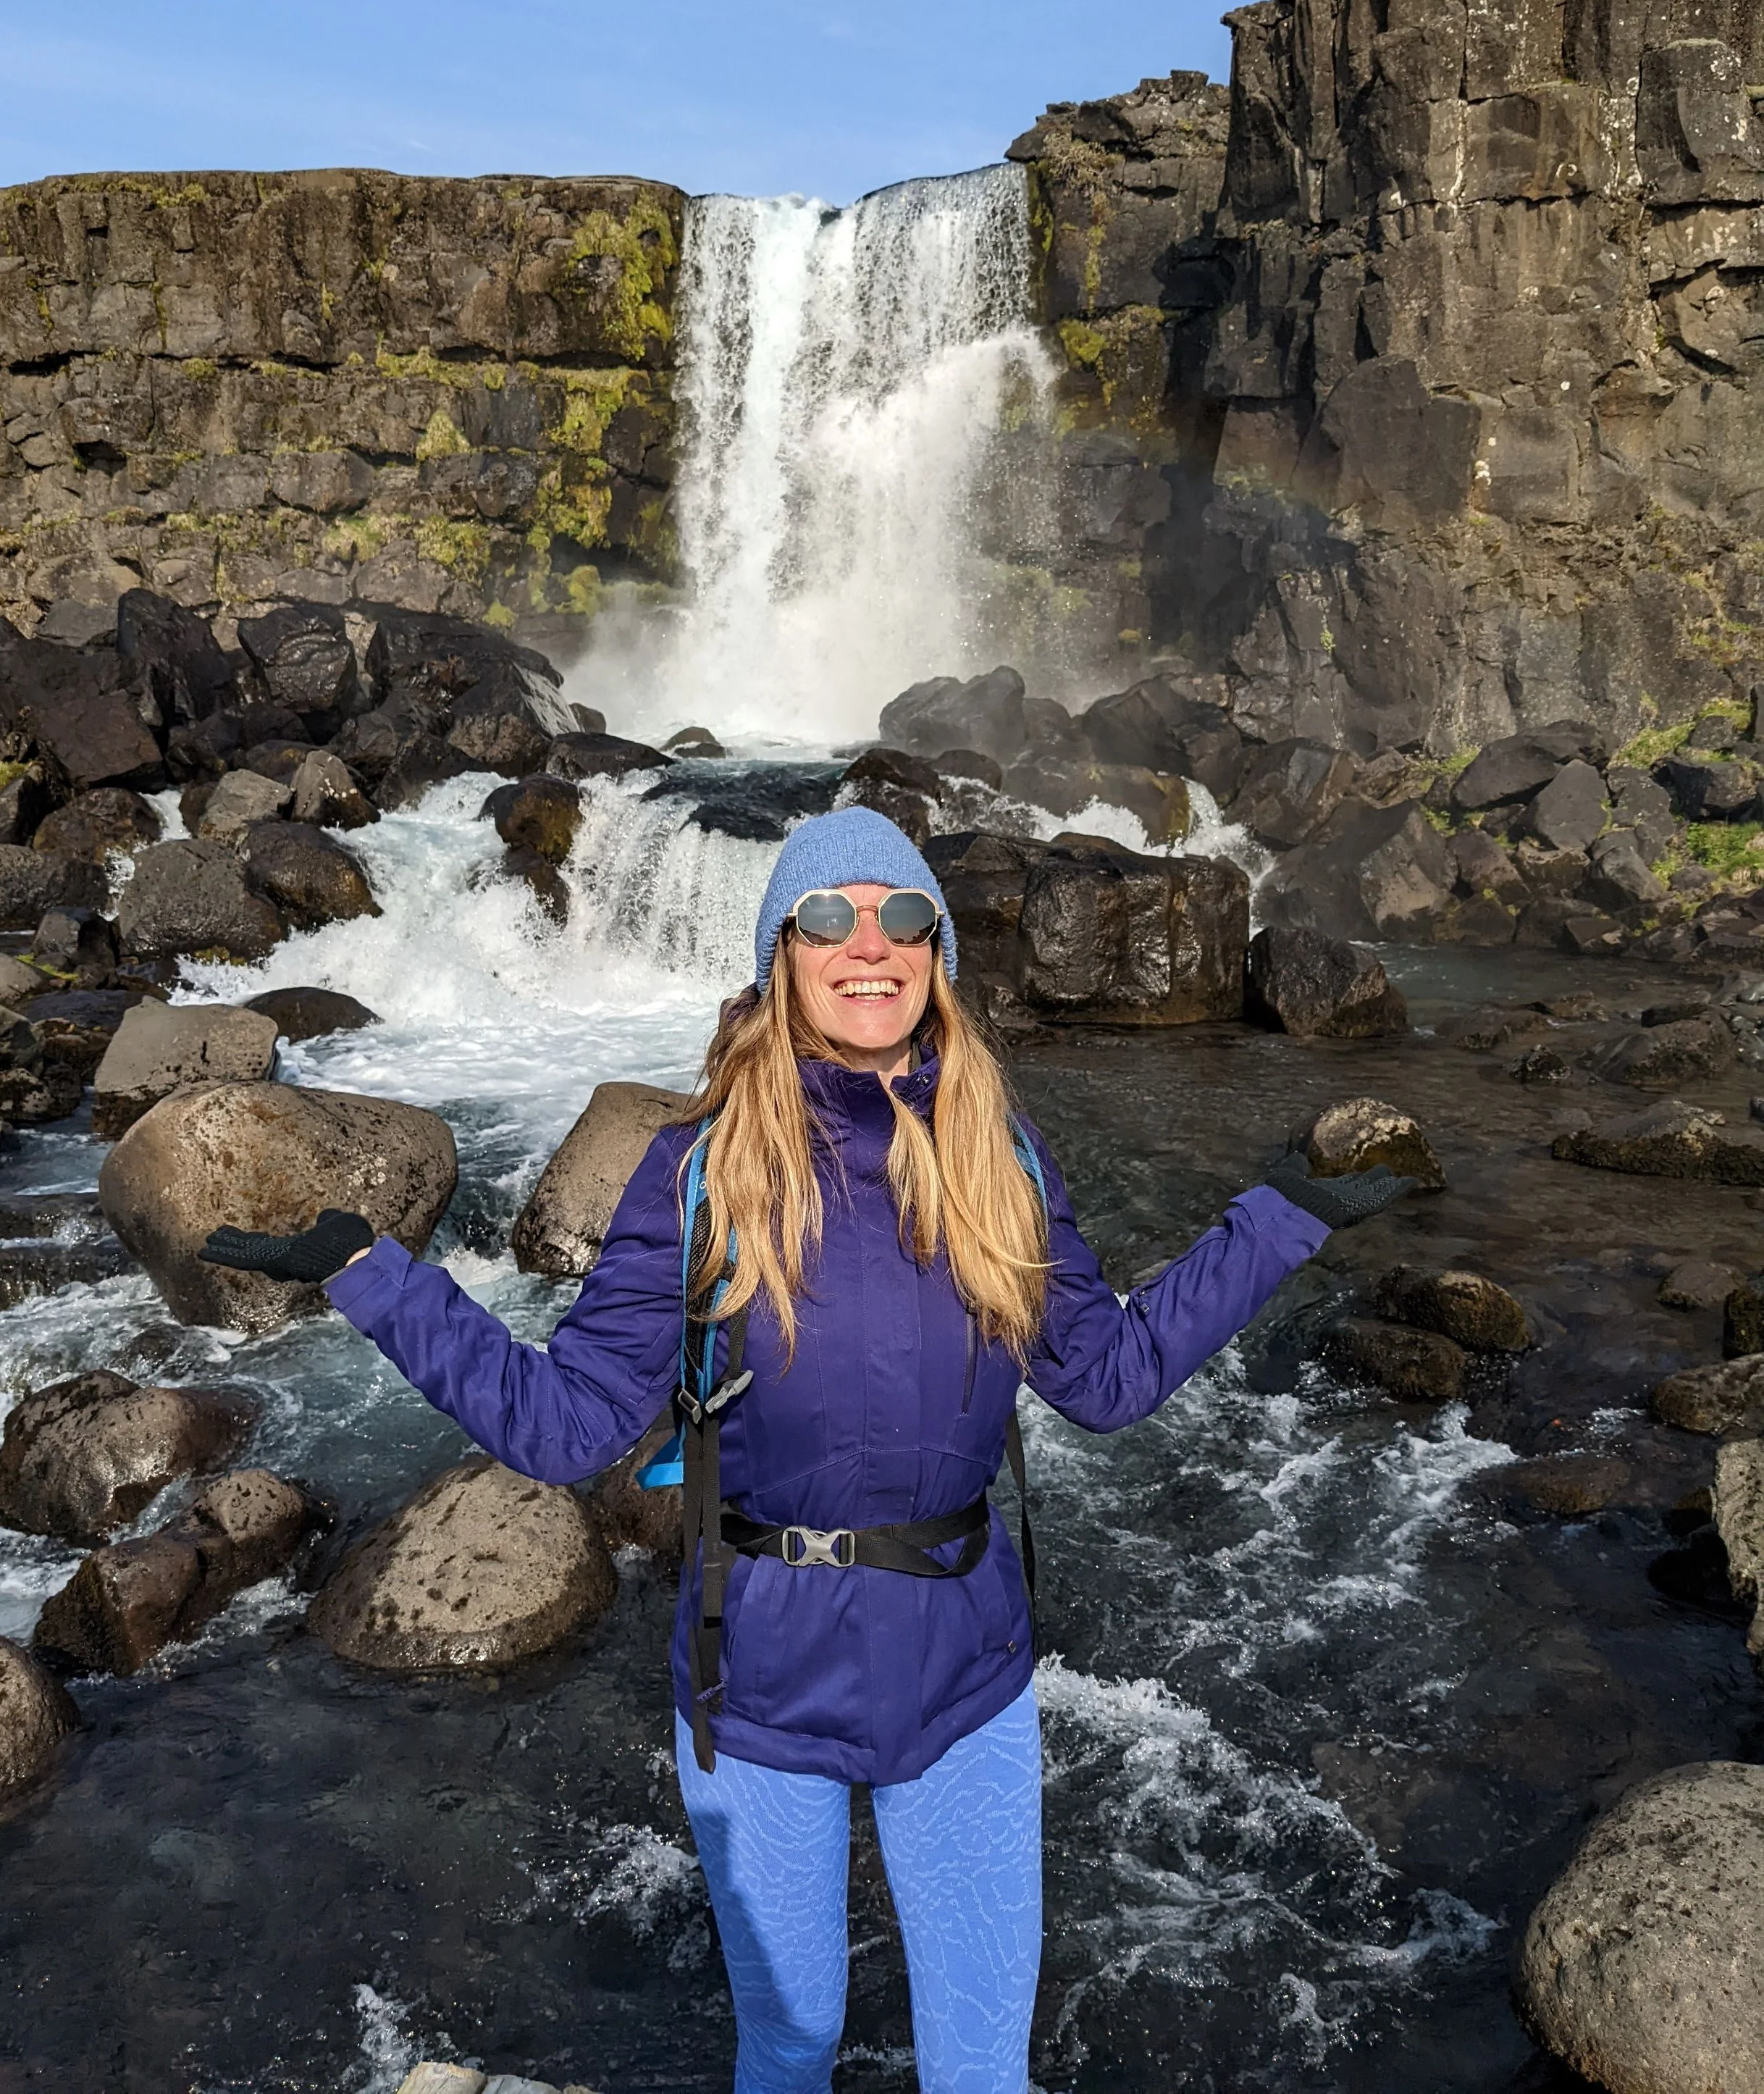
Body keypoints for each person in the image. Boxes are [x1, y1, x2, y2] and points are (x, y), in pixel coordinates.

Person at [203, 806, 1411, 2094]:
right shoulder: (698, 1172)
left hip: (967, 1675)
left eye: (904, 918)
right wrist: (374, 1276)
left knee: (981, 2068)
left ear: (939, 952)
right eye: (830, 917)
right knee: (789, 2043)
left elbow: (1107, 1377)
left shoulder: (1000, 1155)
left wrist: (1276, 1223)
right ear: (782, 954)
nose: (868, 945)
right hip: (761, 1685)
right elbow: (563, 1425)